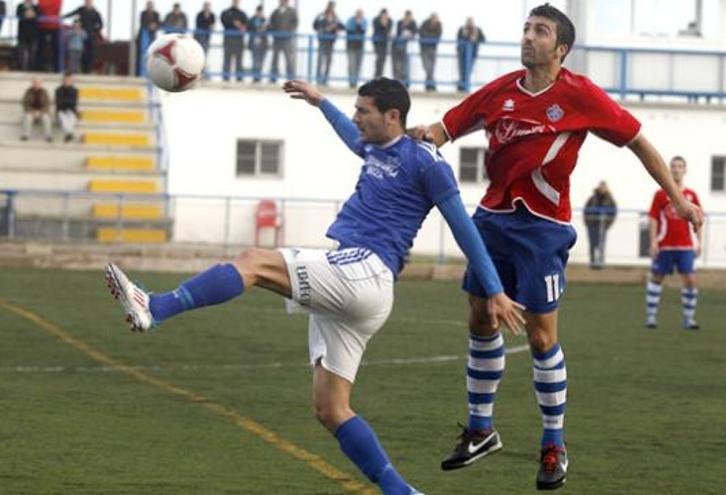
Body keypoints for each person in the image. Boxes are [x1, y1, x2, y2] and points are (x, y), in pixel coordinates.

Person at [105, 77, 524, 495]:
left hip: (365, 271)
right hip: (359, 289)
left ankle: (155, 307)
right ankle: (403, 493)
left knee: (253, 262)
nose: (357, 117)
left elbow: (464, 229)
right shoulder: (375, 147)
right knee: (331, 409)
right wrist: (321, 103)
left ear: (393, 116)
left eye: (364, 111)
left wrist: (495, 290)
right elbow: (349, 135)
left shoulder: (428, 164)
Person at [409, 4, 701, 489]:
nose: (528, 37)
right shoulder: (500, 90)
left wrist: (676, 197)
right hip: (492, 220)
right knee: (480, 318)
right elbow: (449, 126)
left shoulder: (580, 95)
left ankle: (553, 444)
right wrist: (426, 135)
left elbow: (639, 143)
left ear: (560, 49)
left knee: (541, 337)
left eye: (539, 31)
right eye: (526, 28)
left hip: (543, 228)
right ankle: (480, 430)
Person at [645, 157, 702, 329]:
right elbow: (653, 218)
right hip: (665, 245)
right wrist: (653, 241)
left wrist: (700, 242)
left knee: (690, 280)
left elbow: (698, 218)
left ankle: (688, 319)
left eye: (680, 166)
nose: (676, 169)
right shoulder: (661, 194)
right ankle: (651, 317)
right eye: (674, 167)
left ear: (685, 170)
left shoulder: (691, 195)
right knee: (657, 278)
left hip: (685, 246)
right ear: (669, 170)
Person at [583, 180, 616, 270]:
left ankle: (600, 263)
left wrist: (608, 224)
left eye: (604, 187)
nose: (602, 189)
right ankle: (592, 263)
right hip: (592, 225)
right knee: (592, 244)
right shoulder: (592, 198)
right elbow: (585, 210)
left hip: (603, 226)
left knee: (601, 244)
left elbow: (613, 212)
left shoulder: (610, 199)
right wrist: (587, 222)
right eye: (601, 187)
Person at [62, 0, 102, 74]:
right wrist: (62, 17)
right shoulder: (81, 10)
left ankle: (88, 70)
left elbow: (100, 24)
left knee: (90, 53)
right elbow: (72, 13)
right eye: (86, 1)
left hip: (90, 36)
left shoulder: (96, 13)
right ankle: (81, 70)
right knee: (81, 54)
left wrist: (95, 31)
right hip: (81, 36)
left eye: (89, 1)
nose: (88, 2)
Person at [313, 1, 342, 85]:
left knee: (328, 62)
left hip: (330, 43)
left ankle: (325, 80)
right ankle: (318, 80)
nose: (331, 8)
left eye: (332, 6)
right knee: (320, 61)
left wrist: (335, 27)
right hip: (322, 41)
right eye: (330, 6)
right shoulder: (321, 16)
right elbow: (315, 25)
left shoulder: (336, 17)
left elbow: (342, 26)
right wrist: (326, 28)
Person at [268, 0, 298, 82]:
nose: (283, 2)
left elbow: (295, 24)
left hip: (287, 39)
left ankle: (290, 78)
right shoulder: (275, 12)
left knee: (289, 59)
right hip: (277, 39)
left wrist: (289, 32)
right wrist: (274, 32)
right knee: (275, 58)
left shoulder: (292, 12)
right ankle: (273, 77)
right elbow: (271, 23)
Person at [221, 0, 247, 82]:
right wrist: (234, 23)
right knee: (227, 59)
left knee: (239, 60)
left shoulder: (242, 14)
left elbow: (246, 26)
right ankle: (226, 77)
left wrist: (240, 25)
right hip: (228, 40)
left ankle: (239, 78)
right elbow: (224, 22)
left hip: (239, 41)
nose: (236, 2)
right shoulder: (226, 12)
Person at [455, 17, 484, 91]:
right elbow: (458, 39)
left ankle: (465, 86)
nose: (470, 23)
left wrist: (475, 39)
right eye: (469, 21)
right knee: (461, 70)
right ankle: (461, 86)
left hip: (472, 54)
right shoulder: (462, 29)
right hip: (462, 53)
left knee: (468, 70)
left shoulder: (477, 30)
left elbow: (483, 39)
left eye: (471, 21)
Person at [391, 10, 416, 87]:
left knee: (405, 66)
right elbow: (397, 33)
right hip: (397, 48)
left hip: (407, 49)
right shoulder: (399, 22)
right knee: (397, 66)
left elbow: (414, 33)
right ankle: (397, 82)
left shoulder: (413, 23)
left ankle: (405, 83)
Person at [418, 13, 442, 91]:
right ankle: (430, 84)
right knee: (427, 67)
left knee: (431, 68)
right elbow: (422, 33)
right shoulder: (425, 24)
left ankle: (429, 85)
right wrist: (431, 37)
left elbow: (438, 35)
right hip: (424, 48)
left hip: (433, 49)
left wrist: (430, 37)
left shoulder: (439, 25)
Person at [345, 9, 367, 88]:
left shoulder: (364, 21)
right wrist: (357, 24)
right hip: (350, 46)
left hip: (360, 46)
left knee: (358, 65)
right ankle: (351, 82)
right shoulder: (351, 20)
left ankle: (355, 82)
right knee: (352, 64)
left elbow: (363, 30)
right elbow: (349, 29)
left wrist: (359, 23)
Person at [137, 1, 160, 75]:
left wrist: (154, 26)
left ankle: (152, 73)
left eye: (151, 5)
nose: (149, 7)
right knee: (143, 55)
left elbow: (158, 23)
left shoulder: (156, 14)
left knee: (152, 54)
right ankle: (142, 73)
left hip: (152, 37)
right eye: (148, 5)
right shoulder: (143, 13)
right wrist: (150, 25)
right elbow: (142, 22)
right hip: (143, 38)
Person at [16, 0, 40, 71]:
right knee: (21, 53)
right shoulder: (20, 6)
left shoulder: (36, 7)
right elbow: (18, 15)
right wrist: (25, 14)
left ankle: (31, 69)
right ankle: (22, 69)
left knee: (33, 52)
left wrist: (33, 14)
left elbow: (38, 15)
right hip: (22, 34)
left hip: (33, 34)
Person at [55, 71, 79, 143]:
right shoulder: (58, 90)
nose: (67, 81)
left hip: (71, 111)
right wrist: (67, 102)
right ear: (63, 80)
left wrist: (65, 102)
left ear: (71, 81)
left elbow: (74, 103)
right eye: (66, 79)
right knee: (63, 118)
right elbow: (59, 103)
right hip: (61, 111)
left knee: (72, 118)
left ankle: (68, 134)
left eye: (69, 80)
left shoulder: (75, 90)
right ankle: (70, 134)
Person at [247, 6, 269, 82]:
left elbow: (269, 28)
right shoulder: (251, 20)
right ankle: (255, 77)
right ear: (256, 11)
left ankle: (258, 76)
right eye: (258, 11)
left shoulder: (265, 20)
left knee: (261, 61)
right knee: (254, 60)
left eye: (261, 12)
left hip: (263, 44)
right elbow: (248, 28)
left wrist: (265, 28)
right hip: (254, 43)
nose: (259, 13)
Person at [195, 2, 216, 77]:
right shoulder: (199, 14)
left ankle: (203, 73)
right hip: (199, 38)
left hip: (207, 38)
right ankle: (197, 72)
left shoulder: (212, 15)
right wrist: (207, 21)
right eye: (205, 6)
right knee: (198, 56)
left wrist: (209, 25)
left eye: (208, 6)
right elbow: (199, 25)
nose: (207, 8)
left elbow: (212, 26)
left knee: (205, 56)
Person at [371, 8, 392, 78]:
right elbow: (376, 30)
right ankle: (376, 75)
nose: (384, 16)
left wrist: (385, 25)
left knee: (383, 59)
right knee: (379, 58)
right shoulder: (376, 20)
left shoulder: (390, 21)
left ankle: (379, 75)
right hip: (377, 42)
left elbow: (388, 32)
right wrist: (382, 24)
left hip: (385, 43)